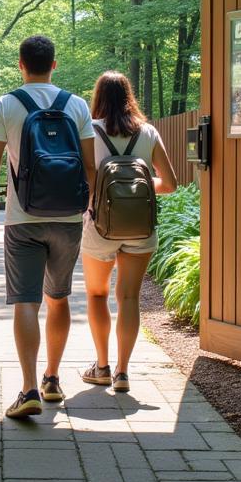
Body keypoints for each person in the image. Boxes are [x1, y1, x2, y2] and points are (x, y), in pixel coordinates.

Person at [0, 35, 96, 419]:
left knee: (26, 301)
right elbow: (90, 167)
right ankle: (53, 378)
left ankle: (28, 388)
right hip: (68, 219)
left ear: (20, 64)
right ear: (55, 64)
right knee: (58, 298)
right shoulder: (76, 105)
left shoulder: (7, 104)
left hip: (23, 218)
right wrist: (89, 209)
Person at [81, 71, 177, 394]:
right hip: (140, 228)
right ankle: (123, 372)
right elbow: (171, 183)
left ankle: (102, 366)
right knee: (129, 297)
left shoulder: (90, 131)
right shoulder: (147, 133)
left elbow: (84, 181)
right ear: (129, 96)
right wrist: (138, 188)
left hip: (99, 228)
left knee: (97, 295)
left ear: (98, 98)